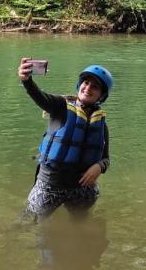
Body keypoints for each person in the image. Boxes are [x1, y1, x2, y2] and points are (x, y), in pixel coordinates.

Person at [18, 58, 113, 219]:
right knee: (26, 224)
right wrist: (27, 81)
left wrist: (99, 167)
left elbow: (106, 159)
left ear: (101, 96)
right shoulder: (60, 106)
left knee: (82, 225)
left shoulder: (101, 125)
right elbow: (39, 96)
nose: (88, 88)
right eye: (86, 83)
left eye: (95, 87)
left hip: (82, 188)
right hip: (50, 184)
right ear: (79, 85)